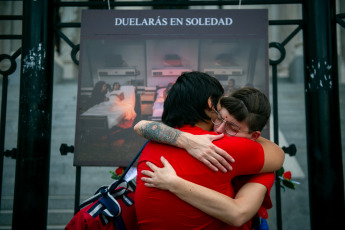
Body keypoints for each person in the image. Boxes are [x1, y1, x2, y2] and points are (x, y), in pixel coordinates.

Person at [134, 71, 284, 229]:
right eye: (219, 114)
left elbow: (140, 126)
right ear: (210, 104)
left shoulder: (152, 144)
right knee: (265, 170)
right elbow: (278, 156)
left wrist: (183, 139)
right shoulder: (220, 145)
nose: (219, 129)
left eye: (232, 127)